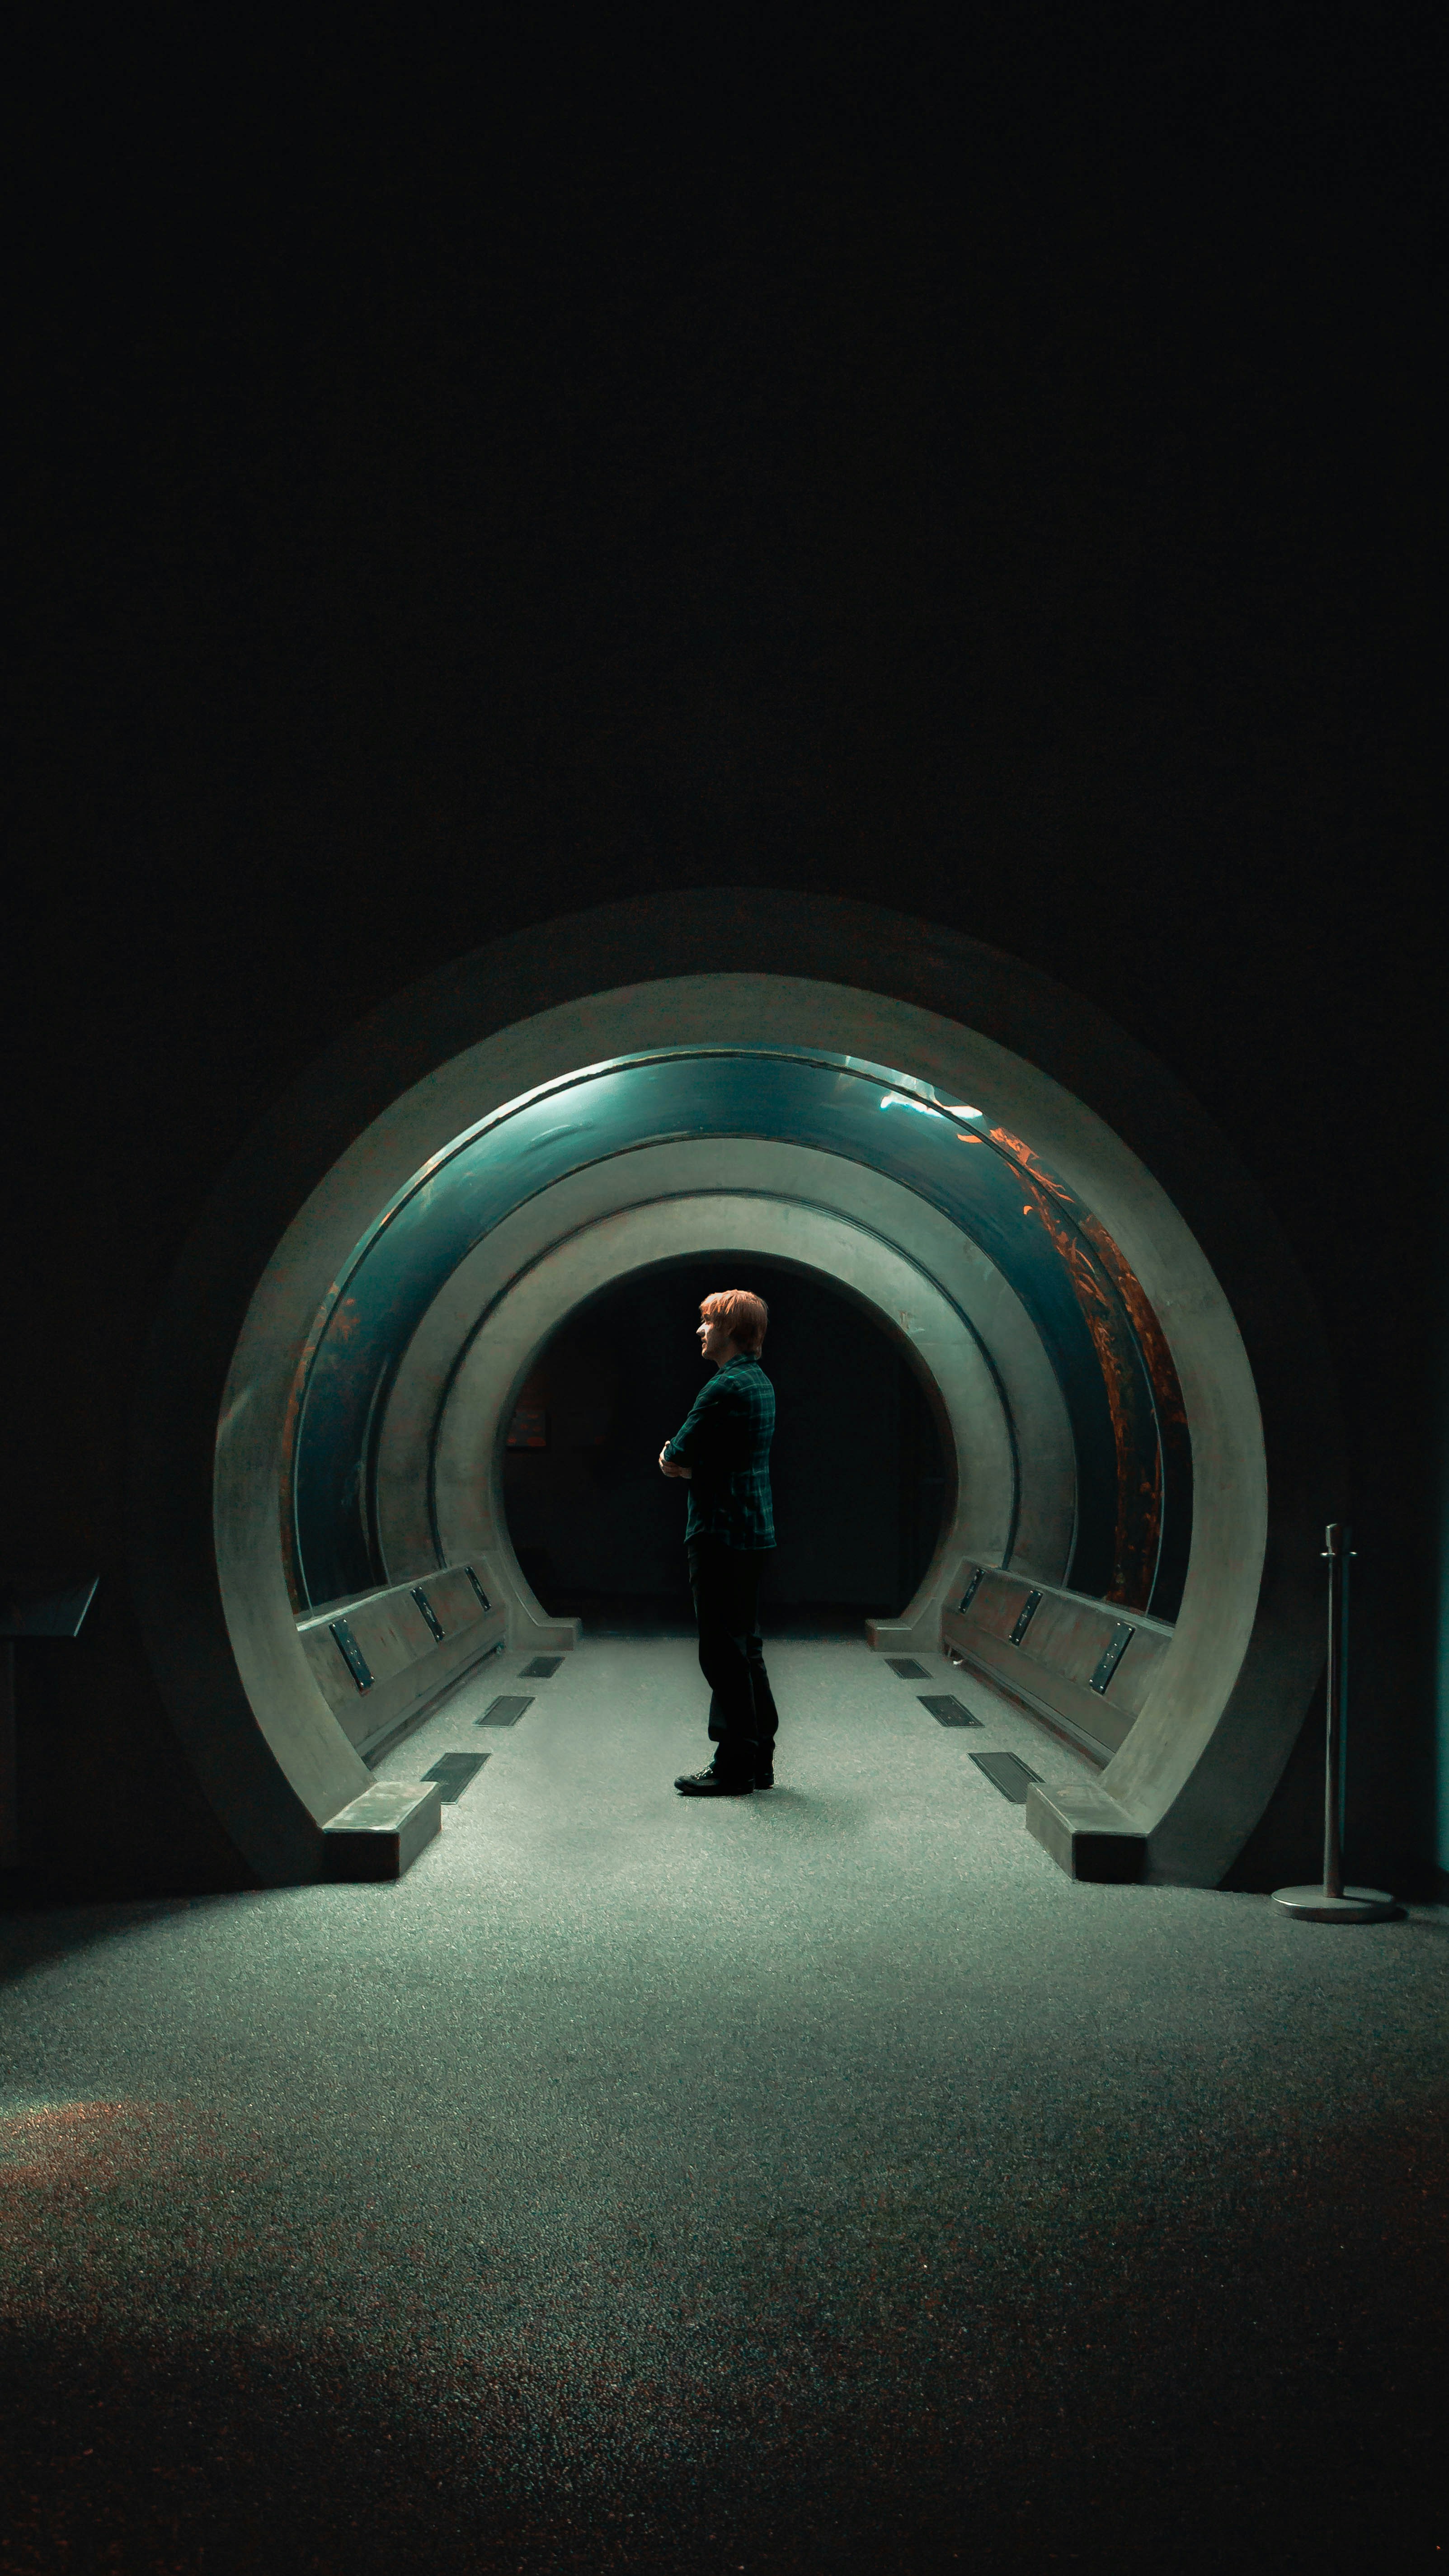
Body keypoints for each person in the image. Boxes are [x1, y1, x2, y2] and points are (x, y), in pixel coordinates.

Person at [658, 1289, 780, 1796]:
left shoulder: (721, 1388)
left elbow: (676, 1454)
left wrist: (680, 1463)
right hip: (754, 1530)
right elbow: (724, 1457)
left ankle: (733, 1767)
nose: (700, 1330)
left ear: (730, 1329)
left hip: (718, 1531)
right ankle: (759, 1760)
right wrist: (696, 1464)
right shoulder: (760, 1383)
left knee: (720, 1652)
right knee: (745, 1647)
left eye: (707, 1321)